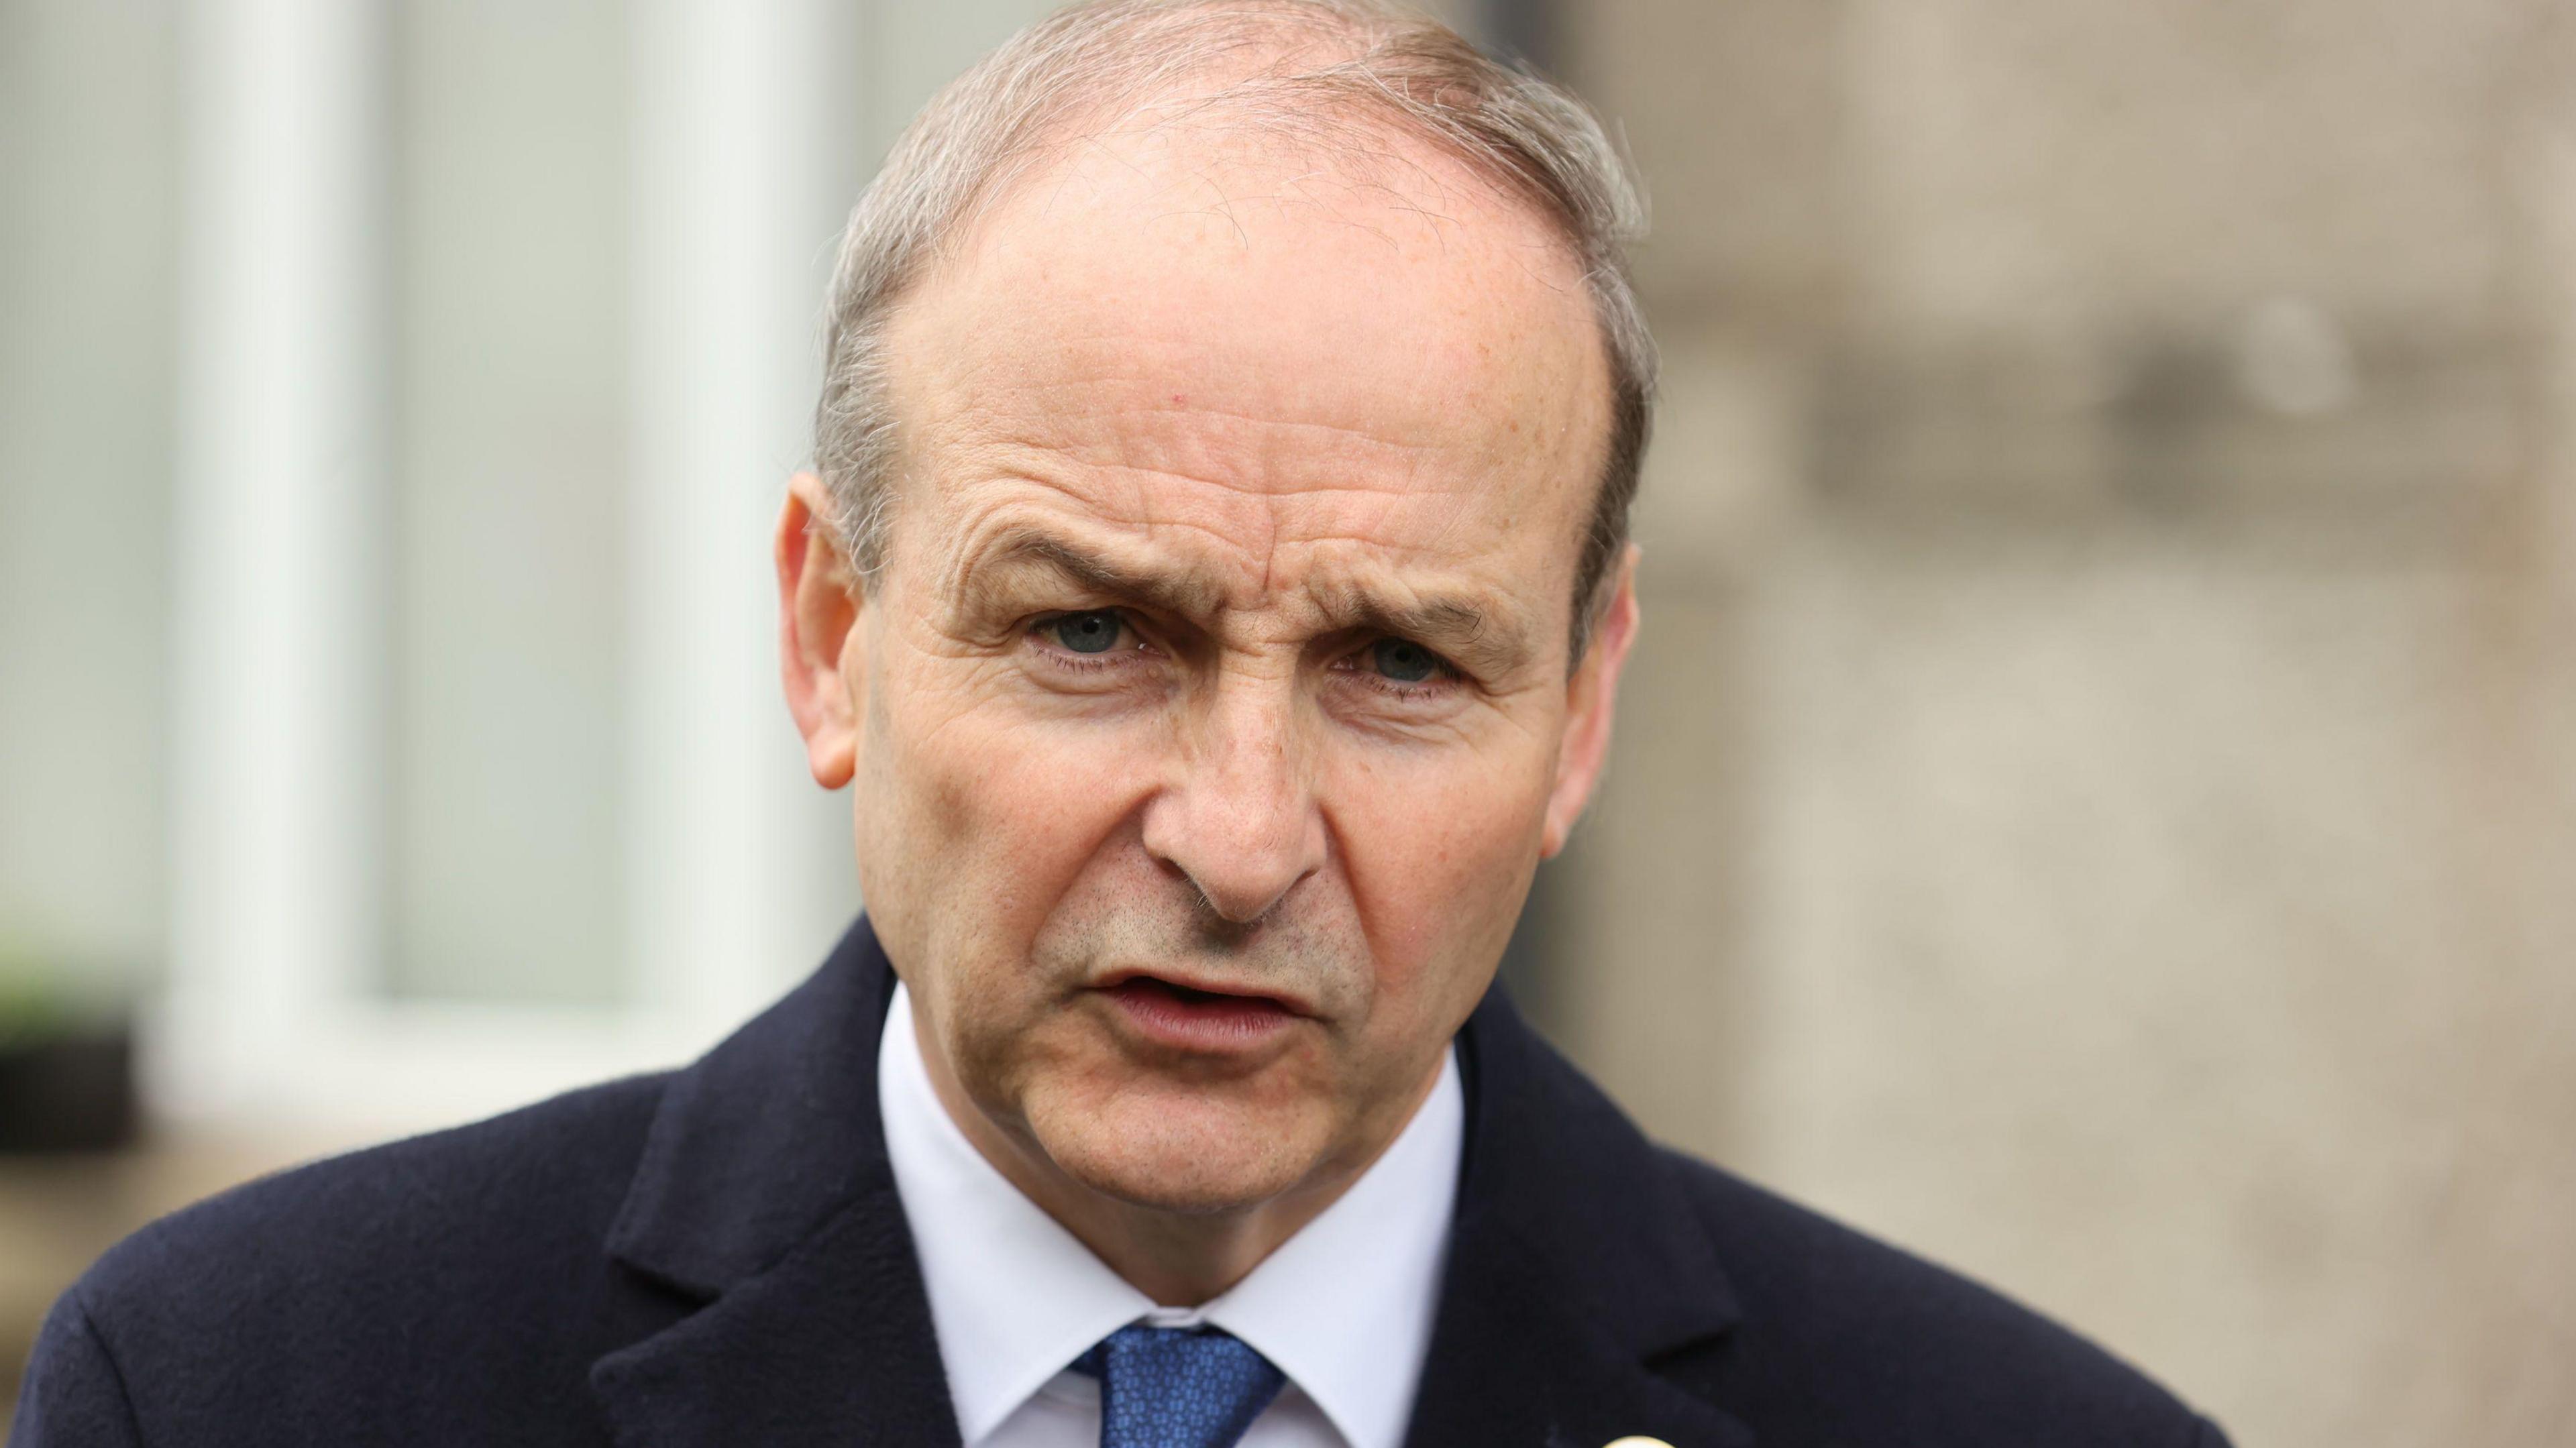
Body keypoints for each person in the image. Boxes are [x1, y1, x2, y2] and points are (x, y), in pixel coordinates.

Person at [11, 3, 2233, 1445]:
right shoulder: (246, 1393)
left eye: (1401, 665)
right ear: (831, 635)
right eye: (1096, 634)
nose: (1244, 836)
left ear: (1584, 714)